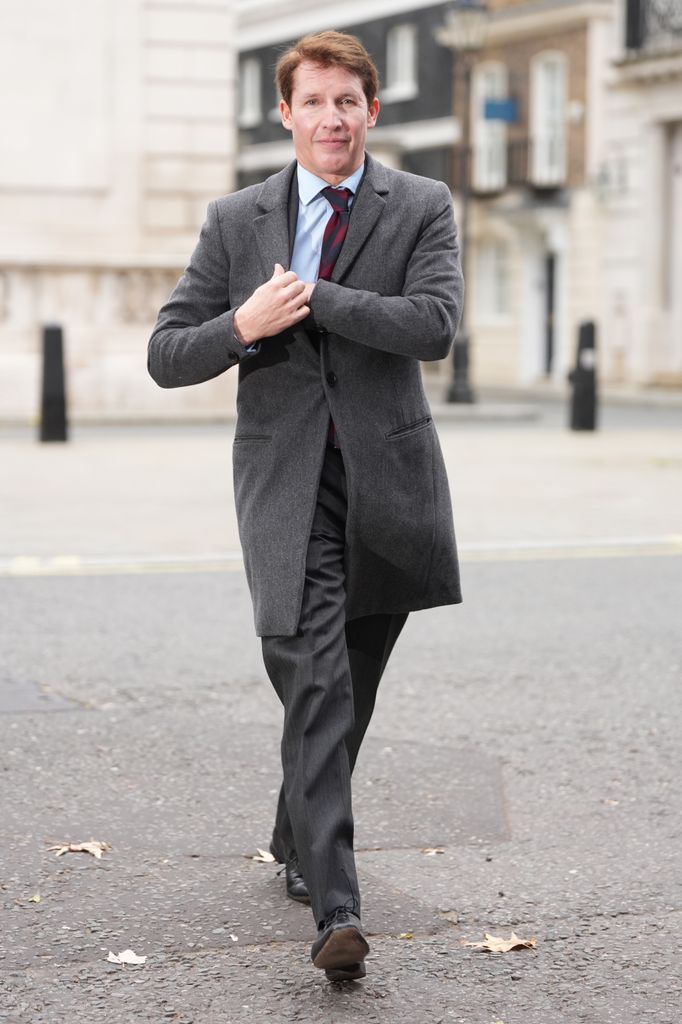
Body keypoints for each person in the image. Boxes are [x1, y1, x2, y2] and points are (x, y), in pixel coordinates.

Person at [148, 30, 463, 983]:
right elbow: (167, 355)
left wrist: (319, 297)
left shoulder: (420, 205)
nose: (332, 117)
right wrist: (242, 326)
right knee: (317, 679)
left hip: (387, 483)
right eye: (313, 101)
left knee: (349, 688)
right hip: (285, 487)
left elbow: (434, 325)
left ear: (373, 110)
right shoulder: (237, 218)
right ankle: (337, 908)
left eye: (348, 101)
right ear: (284, 114)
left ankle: (295, 830)